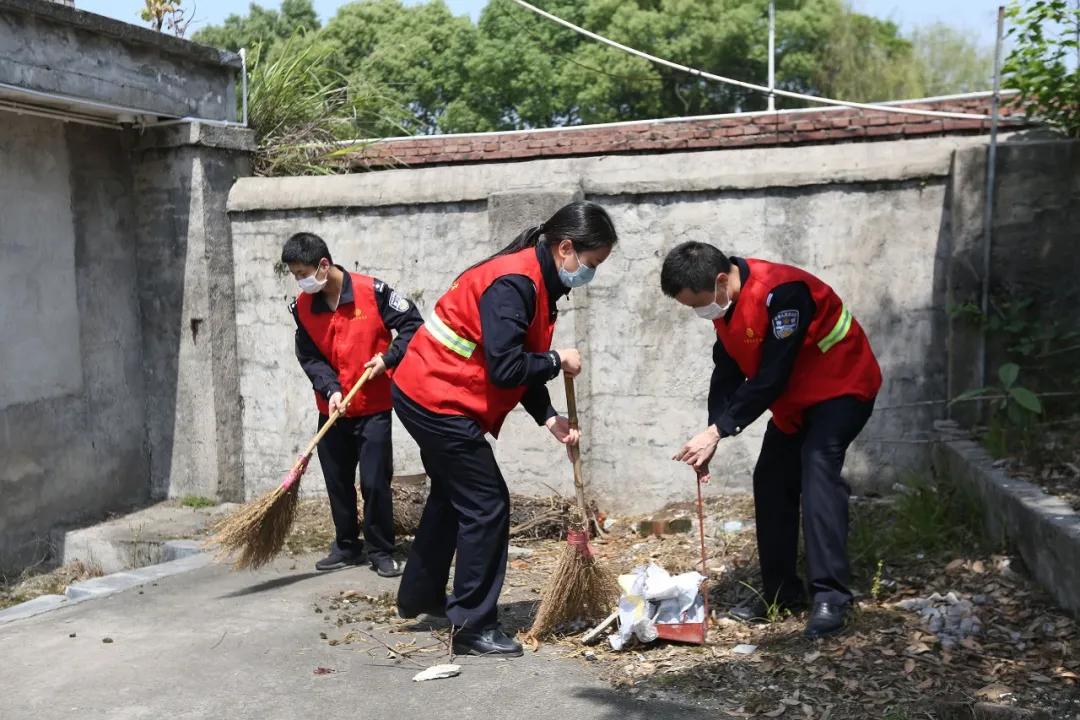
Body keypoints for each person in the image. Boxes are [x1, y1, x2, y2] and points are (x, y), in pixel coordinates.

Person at [391, 201, 619, 657]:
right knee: (487, 503)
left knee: (453, 496)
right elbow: (507, 366)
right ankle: (473, 627)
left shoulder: (538, 281)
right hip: (437, 399)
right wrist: (558, 361)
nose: (590, 274)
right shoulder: (515, 283)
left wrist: (549, 416)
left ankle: (420, 595)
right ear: (566, 248)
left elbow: (520, 355)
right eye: (591, 264)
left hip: (427, 392)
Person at [660, 241, 881, 639]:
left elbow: (771, 376)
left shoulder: (784, 294)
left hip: (842, 388)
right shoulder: (725, 306)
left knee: (818, 475)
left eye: (699, 304)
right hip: (795, 402)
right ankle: (782, 593)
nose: (700, 313)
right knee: (771, 481)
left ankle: (831, 598)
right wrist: (713, 433)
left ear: (722, 280)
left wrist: (718, 431)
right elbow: (726, 373)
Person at [282, 232, 423, 577]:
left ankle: (380, 549)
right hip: (332, 408)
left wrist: (388, 359)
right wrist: (329, 389)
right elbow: (309, 356)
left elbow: (413, 327)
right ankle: (346, 545)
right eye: (295, 275)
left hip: (372, 406)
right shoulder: (302, 308)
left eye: (303, 273)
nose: (300, 282)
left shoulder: (373, 293)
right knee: (336, 480)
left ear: (324, 265)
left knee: (375, 481)